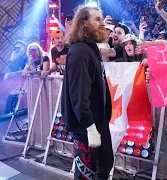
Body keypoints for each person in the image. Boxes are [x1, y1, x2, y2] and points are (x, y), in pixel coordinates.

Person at [61, 4, 113, 180]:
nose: (102, 23)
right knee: (87, 174)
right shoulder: (80, 51)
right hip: (87, 127)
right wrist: (90, 126)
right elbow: (78, 94)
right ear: (84, 22)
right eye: (97, 19)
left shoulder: (90, 48)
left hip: (98, 121)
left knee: (105, 163)